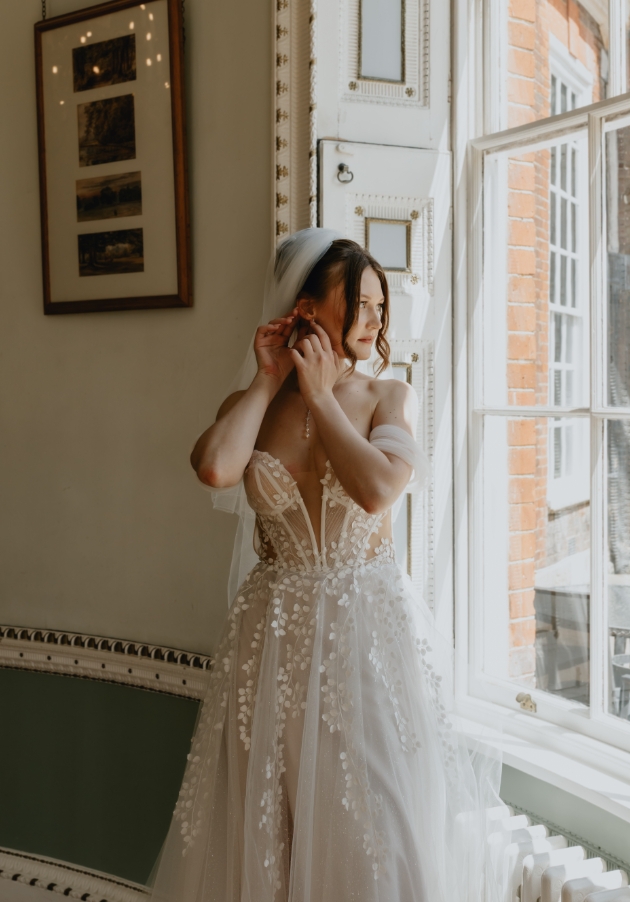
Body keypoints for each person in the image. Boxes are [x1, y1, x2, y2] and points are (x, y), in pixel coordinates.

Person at [148, 229, 505, 902]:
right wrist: (268, 379)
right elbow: (214, 467)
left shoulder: (388, 399)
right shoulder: (252, 406)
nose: (377, 318)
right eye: (361, 302)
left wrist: (319, 396)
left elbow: (376, 487)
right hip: (271, 637)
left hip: (363, 637)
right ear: (308, 307)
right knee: (266, 825)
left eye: (380, 305)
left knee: (374, 824)